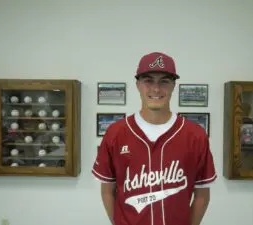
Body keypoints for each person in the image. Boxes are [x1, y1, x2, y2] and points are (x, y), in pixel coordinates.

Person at [91, 52, 217, 225]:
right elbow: (107, 190)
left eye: (164, 81)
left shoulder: (195, 135)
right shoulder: (116, 133)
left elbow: (202, 194)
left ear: (173, 86)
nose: (156, 89)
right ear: (138, 85)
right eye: (148, 80)